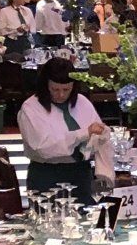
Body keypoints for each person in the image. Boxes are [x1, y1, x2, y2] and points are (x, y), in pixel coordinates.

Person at [17, 58, 108, 203]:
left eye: (66, 90)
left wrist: (100, 136)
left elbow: (97, 135)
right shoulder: (31, 108)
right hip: (47, 174)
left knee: (85, 214)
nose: (61, 95)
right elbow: (44, 148)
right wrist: (83, 134)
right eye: (55, 89)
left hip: (80, 172)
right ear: (45, 85)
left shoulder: (82, 102)